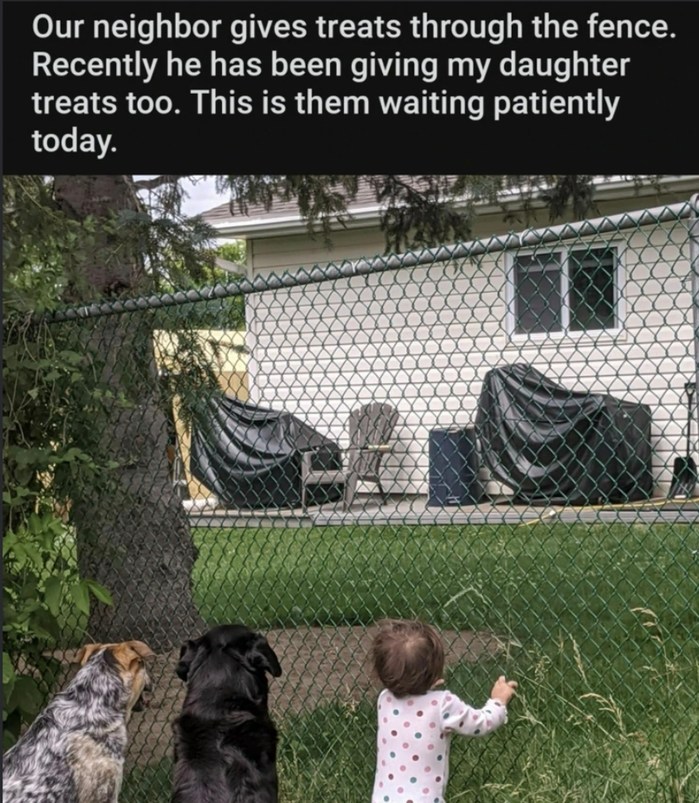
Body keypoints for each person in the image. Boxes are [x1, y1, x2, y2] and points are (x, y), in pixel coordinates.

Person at [370, 619, 517, 803]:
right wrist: (498, 701)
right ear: (435, 673)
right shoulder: (442, 705)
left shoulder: (385, 700)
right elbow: (481, 723)